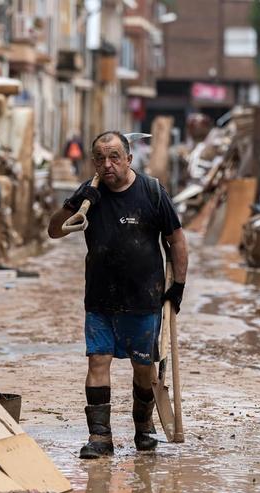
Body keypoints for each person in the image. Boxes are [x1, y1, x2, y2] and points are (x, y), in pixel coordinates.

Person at [48, 131, 189, 459]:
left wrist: (177, 287)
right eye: (100, 158)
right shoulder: (89, 195)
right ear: (93, 163)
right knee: (98, 361)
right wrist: (78, 202)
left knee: (144, 370)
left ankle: (143, 427)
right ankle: (100, 436)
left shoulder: (152, 192)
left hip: (144, 300)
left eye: (114, 157)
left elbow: (177, 241)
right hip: (100, 299)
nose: (107, 164)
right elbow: (54, 231)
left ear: (128, 158)